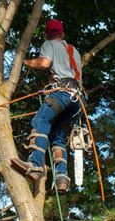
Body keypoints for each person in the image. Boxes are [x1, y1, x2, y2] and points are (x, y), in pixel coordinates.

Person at [11, 19, 84, 193]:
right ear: (62, 34)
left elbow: (44, 63)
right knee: (58, 137)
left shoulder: (49, 44)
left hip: (62, 93)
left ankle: (35, 165)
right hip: (79, 99)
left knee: (41, 120)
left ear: (46, 34)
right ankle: (61, 178)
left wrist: (25, 61)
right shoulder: (74, 51)